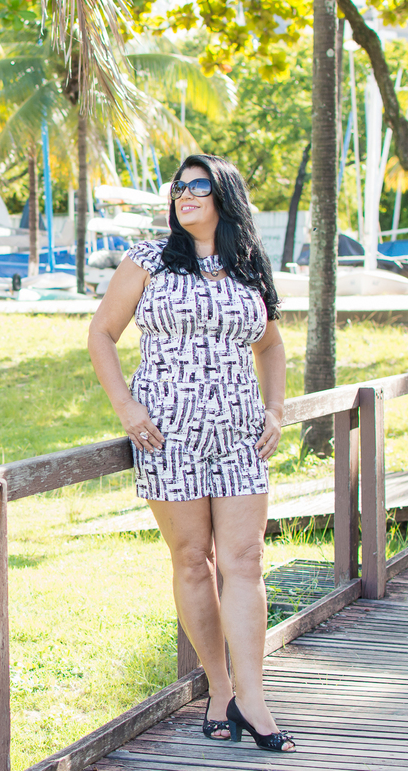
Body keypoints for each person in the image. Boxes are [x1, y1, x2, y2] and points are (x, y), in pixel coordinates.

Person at [87, 155, 292, 752]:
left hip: (238, 436)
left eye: (198, 184)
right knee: (191, 559)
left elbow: (272, 345)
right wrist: (128, 410)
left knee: (244, 561)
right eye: (178, 186)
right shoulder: (148, 260)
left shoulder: (250, 267)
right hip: (167, 435)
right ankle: (220, 686)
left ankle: (253, 697)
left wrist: (275, 410)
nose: (184, 193)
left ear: (225, 195)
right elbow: (102, 333)